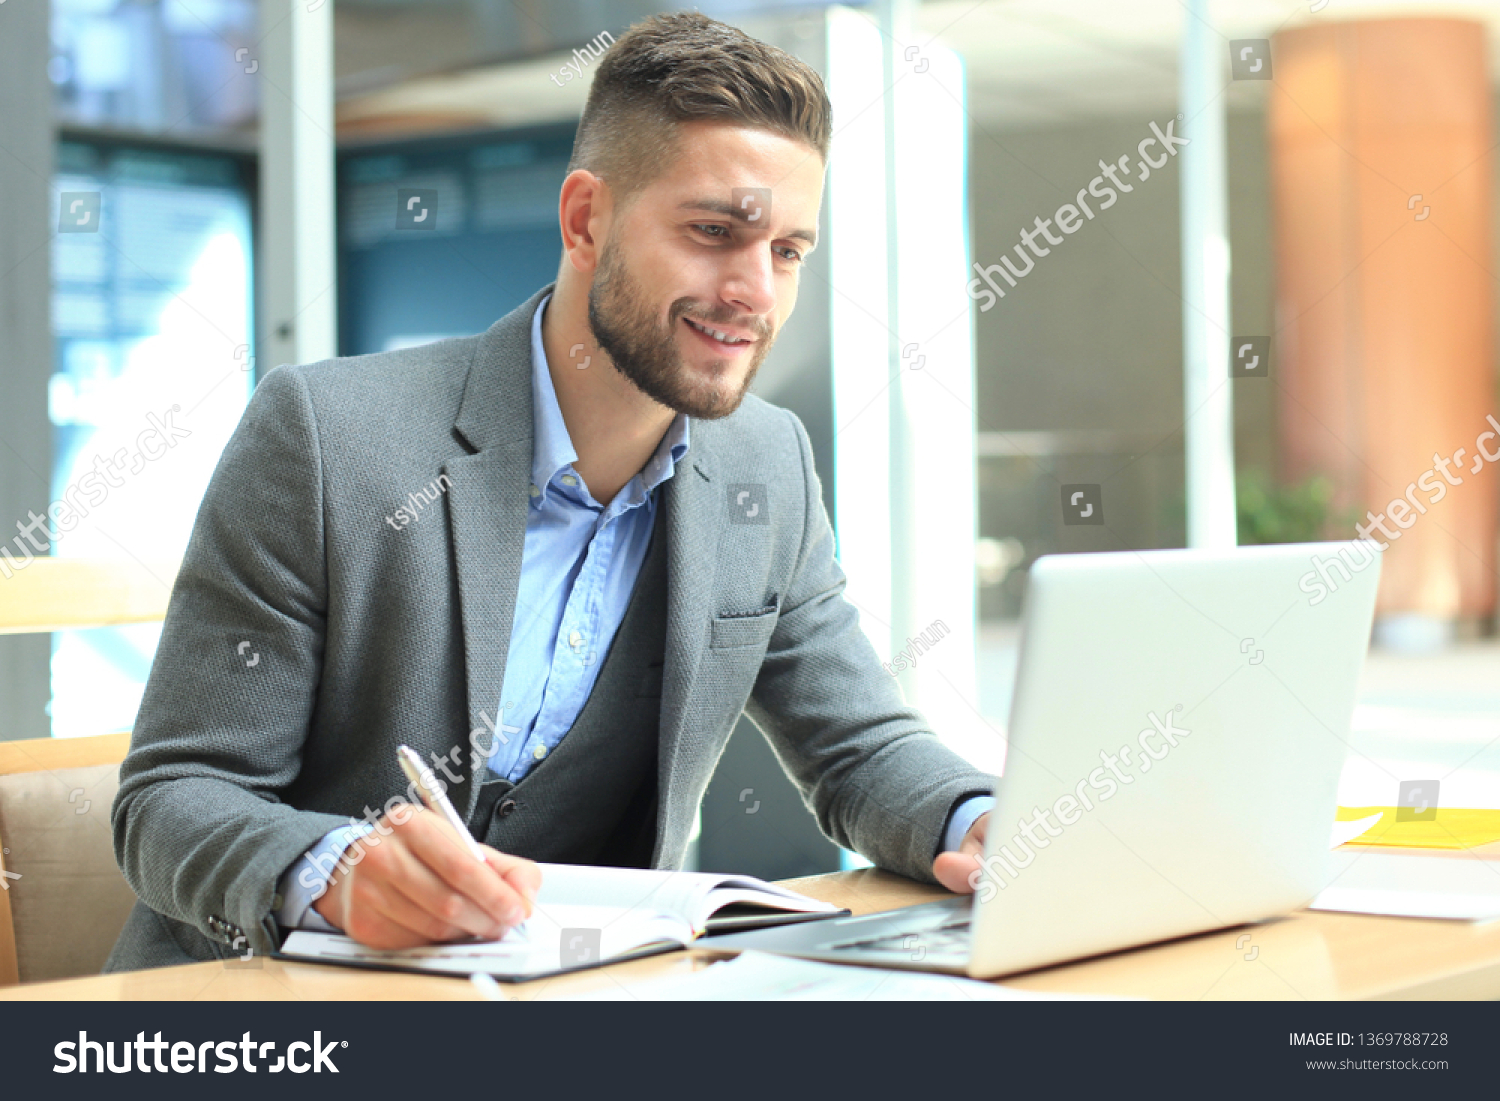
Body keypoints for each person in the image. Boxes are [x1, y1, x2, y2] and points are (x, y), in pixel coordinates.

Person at [106, 10, 994, 970]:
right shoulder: (326, 437)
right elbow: (175, 794)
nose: (757, 292)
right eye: (713, 232)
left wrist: (980, 817)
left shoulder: (764, 465)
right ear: (585, 221)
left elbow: (860, 746)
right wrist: (331, 869)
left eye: (786, 250)